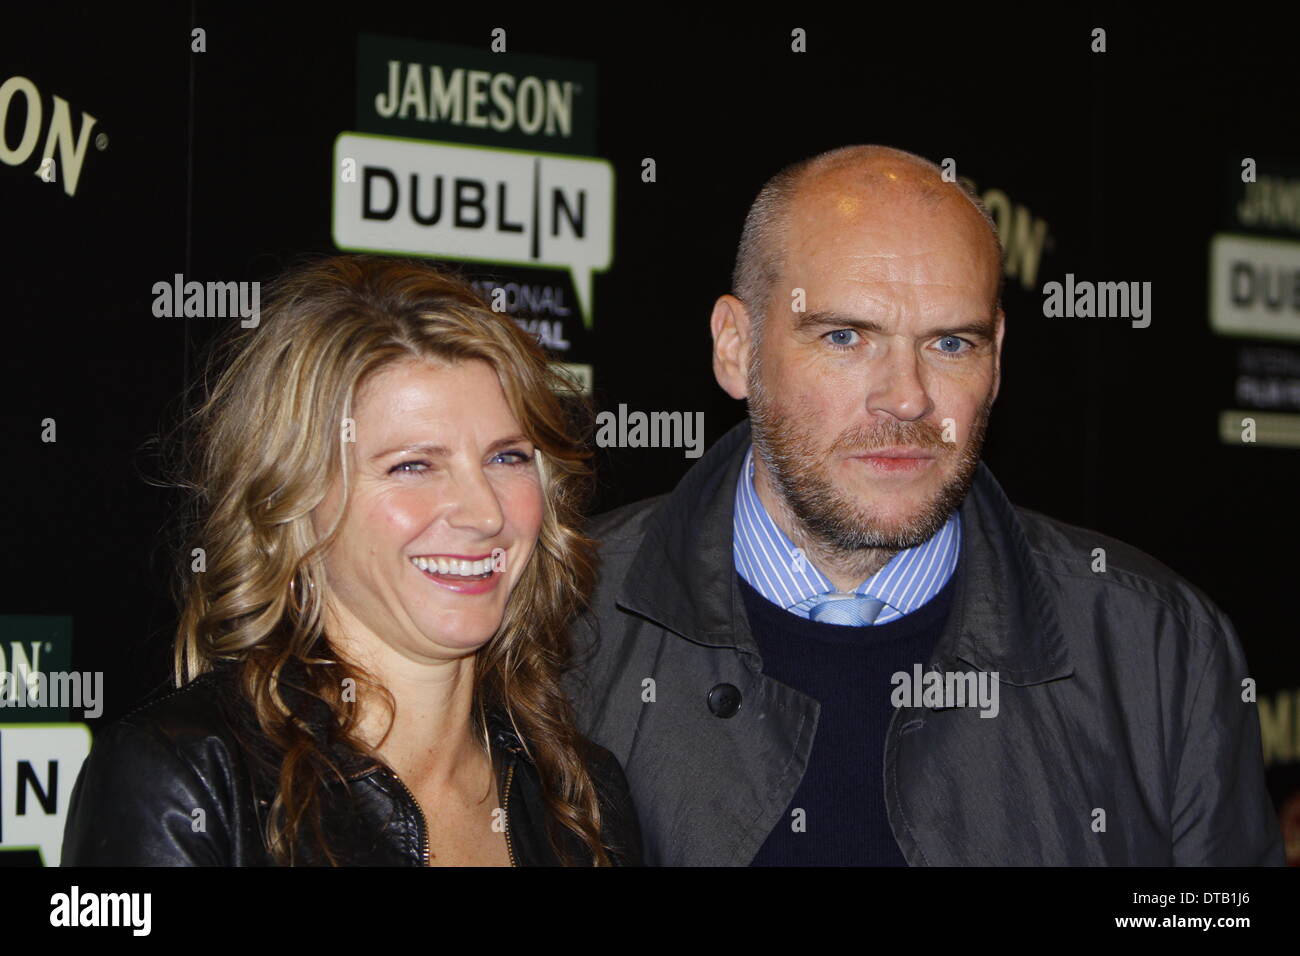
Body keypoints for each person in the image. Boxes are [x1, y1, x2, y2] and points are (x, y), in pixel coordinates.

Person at [564, 145, 1285, 866]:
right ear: (736, 346)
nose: (907, 396)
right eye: (845, 337)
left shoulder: (1156, 649)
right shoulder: (560, 624)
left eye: (949, 342)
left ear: (996, 358)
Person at [62, 255, 642, 866]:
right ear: (294, 498)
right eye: (413, 465)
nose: (485, 513)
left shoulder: (579, 795)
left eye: (507, 458)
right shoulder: (190, 784)